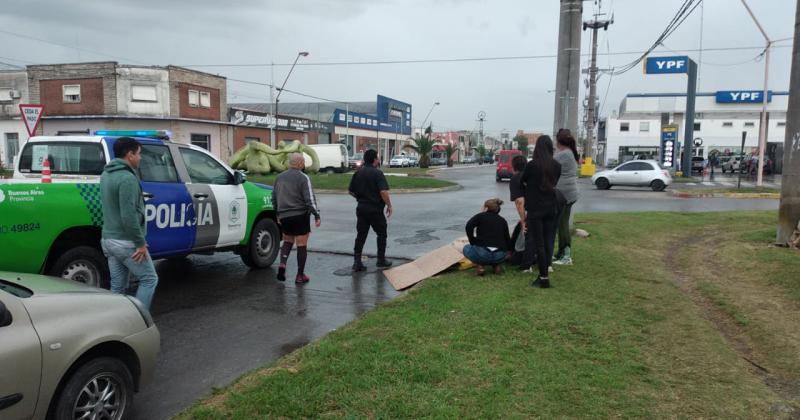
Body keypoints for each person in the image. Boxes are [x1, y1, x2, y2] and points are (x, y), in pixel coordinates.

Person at [100, 137, 159, 309]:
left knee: (118, 287)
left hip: (108, 240)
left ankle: (116, 322)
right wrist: (140, 243)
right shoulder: (127, 178)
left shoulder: (106, 174)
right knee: (149, 279)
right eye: (139, 154)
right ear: (129, 154)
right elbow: (129, 216)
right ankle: (139, 319)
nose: (140, 158)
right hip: (125, 242)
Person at [271, 153, 321, 284]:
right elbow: (309, 199)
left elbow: (274, 197)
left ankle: (282, 264)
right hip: (300, 216)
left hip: (284, 216)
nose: (304, 164)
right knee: (301, 245)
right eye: (303, 162)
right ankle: (300, 275)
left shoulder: (279, 178)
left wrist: (278, 214)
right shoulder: (303, 178)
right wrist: (316, 214)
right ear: (300, 163)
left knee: (287, 241)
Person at [520, 135, 563, 288]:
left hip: (535, 209)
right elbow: (554, 183)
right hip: (551, 207)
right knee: (547, 241)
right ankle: (544, 273)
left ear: (537, 148)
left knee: (538, 243)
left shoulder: (532, 165)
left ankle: (544, 278)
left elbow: (522, 180)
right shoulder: (557, 165)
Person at [348, 149, 393, 271]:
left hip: (361, 208)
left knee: (361, 235)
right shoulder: (378, 173)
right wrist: (389, 205)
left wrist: (360, 198)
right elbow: (383, 191)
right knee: (381, 233)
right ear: (374, 160)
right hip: (375, 209)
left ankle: (357, 262)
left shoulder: (358, 173)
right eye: (377, 158)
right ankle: (381, 260)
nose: (378, 160)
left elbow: (350, 191)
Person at [464, 198, 511, 276]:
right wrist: (507, 251)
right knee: (496, 253)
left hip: (483, 253)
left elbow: (468, 226)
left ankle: (480, 266)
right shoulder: (502, 220)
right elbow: (507, 238)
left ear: (486, 208)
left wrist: (472, 240)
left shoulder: (480, 216)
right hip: (499, 256)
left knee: (466, 248)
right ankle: (496, 266)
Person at [553, 131, 579, 266]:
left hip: (565, 195)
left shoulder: (564, 154)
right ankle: (561, 252)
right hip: (569, 193)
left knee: (562, 225)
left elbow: (549, 165)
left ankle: (567, 256)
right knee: (560, 224)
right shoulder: (570, 153)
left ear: (559, 142)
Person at [508, 154, 535, 269]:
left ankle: (525, 262)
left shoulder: (516, 178)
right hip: (550, 206)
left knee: (526, 233)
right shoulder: (533, 175)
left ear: (513, 167)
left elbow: (520, 202)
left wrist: (524, 222)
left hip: (534, 212)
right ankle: (545, 262)